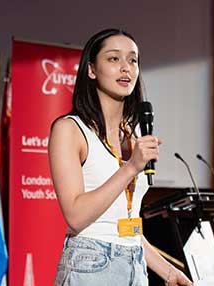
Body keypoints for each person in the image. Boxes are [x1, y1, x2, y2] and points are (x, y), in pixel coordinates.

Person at [48, 28, 193, 286]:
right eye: (114, 59)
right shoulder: (70, 129)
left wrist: (169, 272)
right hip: (89, 263)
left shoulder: (134, 134)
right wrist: (130, 168)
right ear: (91, 70)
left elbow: (126, 226)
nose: (126, 68)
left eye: (133, 60)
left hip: (134, 265)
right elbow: (75, 215)